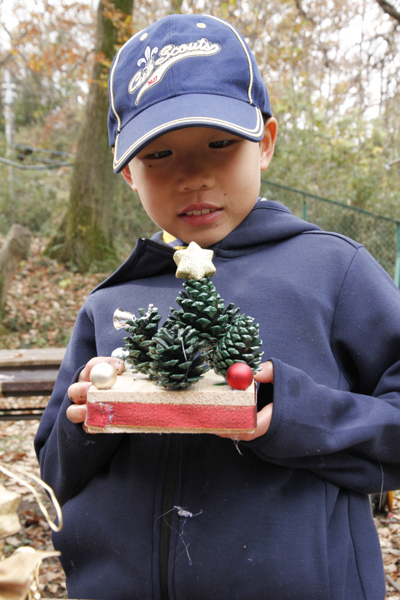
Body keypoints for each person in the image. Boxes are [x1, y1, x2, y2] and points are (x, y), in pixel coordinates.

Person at [35, 13, 400, 600]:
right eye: (158, 154)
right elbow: (54, 470)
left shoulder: (335, 272)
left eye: (220, 143)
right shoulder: (110, 301)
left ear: (268, 142)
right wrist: (91, 420)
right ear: (128, 172)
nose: (194, 175)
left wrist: (296, 415)